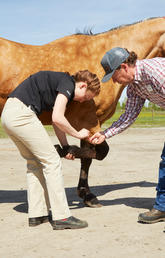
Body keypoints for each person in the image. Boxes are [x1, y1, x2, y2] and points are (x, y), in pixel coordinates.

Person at [1, 70, 100, 230]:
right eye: (86, 96)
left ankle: (37, 214)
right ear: (83, 85)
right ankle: (62, 216)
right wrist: (78, 134)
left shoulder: (61, 86)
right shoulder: (67, 82)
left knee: (34, 163)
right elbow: (57, 118)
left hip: (8, 114)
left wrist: (66, 146)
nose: (82, 101)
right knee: (52, 161)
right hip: (23, 114)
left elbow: (57, 122)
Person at [90, 47, 165, 224]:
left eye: (114, 76)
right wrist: (104, 134)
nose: (115, 82)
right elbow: (129, 115)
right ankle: (162, 207)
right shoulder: (134, 87)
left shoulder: (155, 71)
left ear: (124, 67)